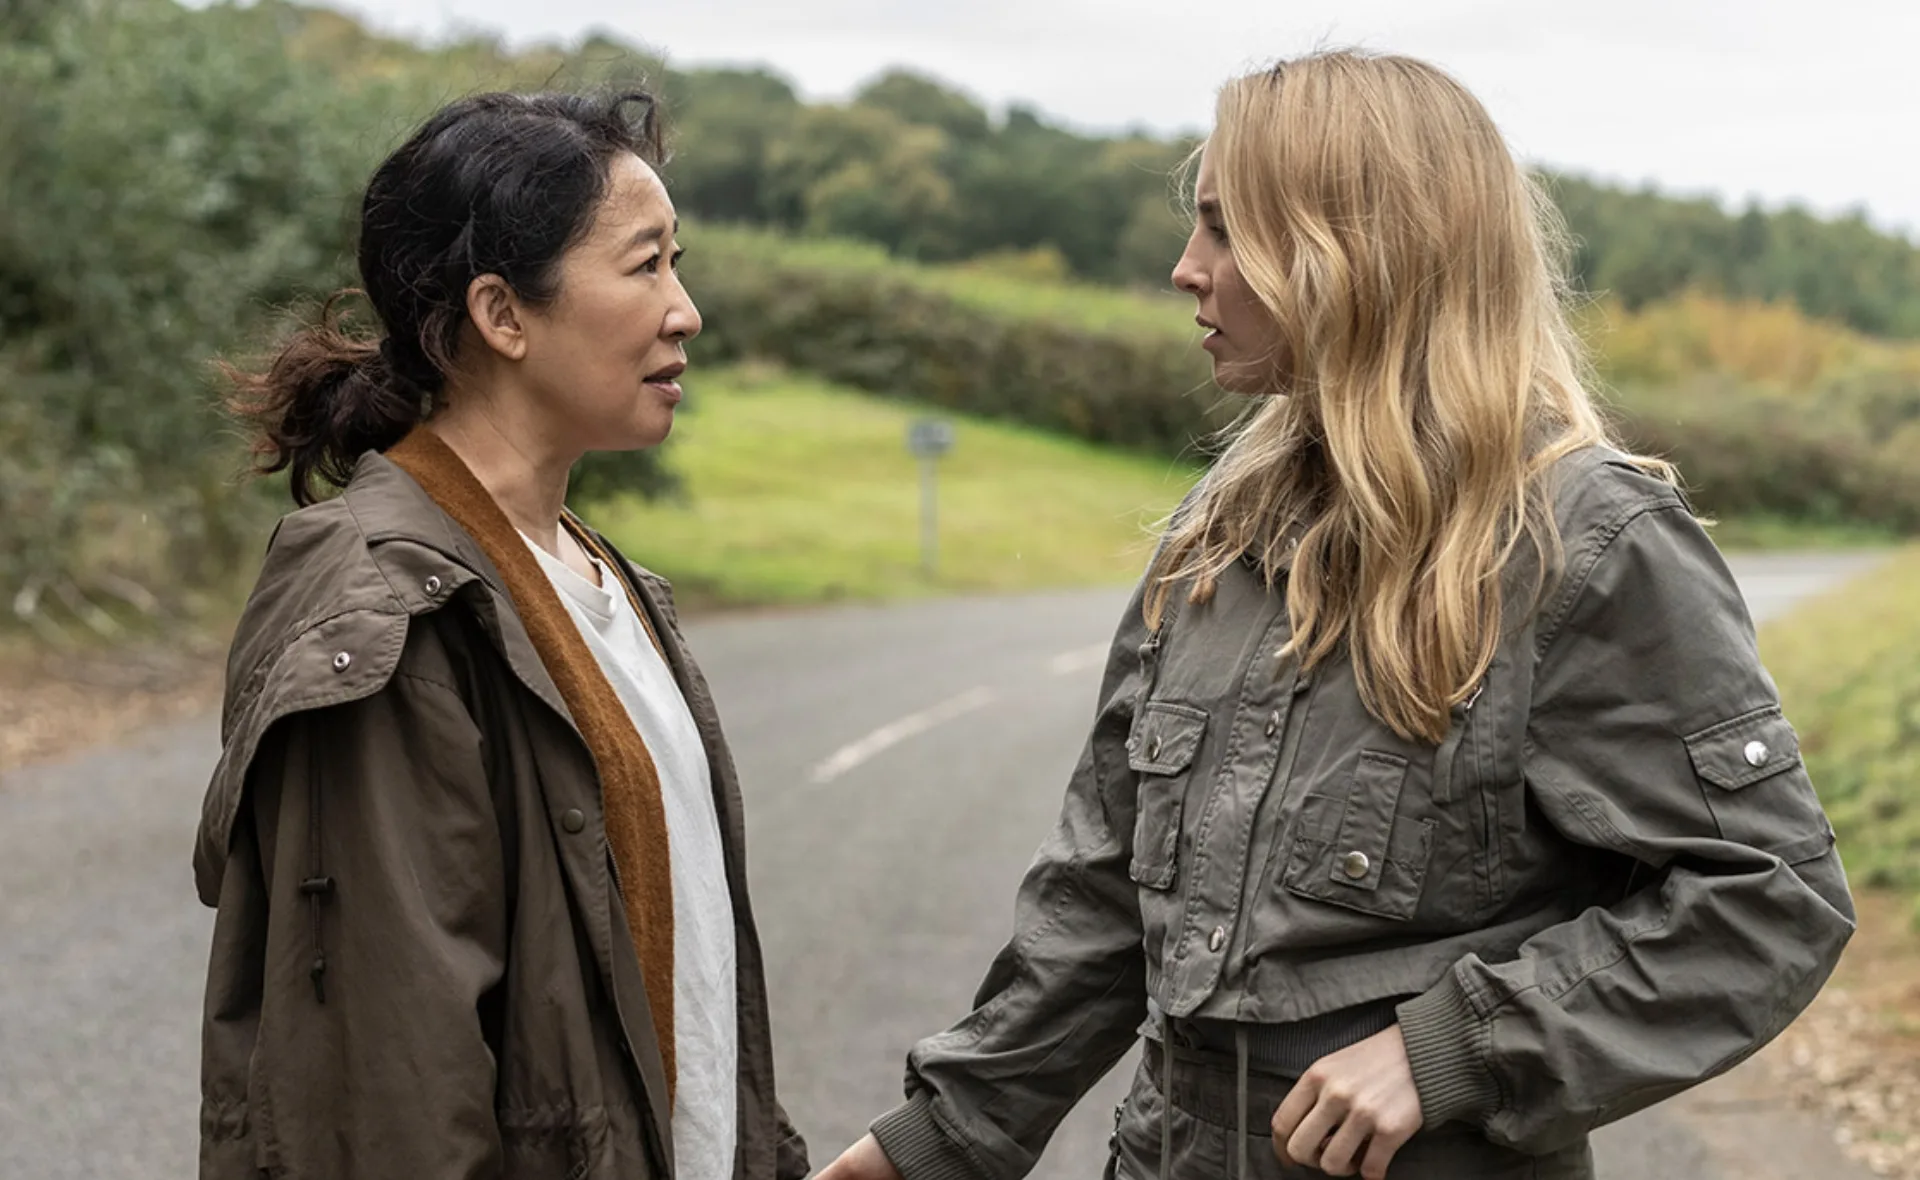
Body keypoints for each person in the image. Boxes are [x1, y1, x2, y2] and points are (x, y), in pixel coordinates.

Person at [818, 49, 1854, 1180]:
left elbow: (1769, 895)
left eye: (1224, 228)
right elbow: (1104, 901)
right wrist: (933, 1144)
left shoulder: (1586, 543)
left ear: (1351, 251)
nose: (1184, 269)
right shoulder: (1215, 536)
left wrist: (1450, 1051)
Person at [194, 90, 807, 1180]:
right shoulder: (388, 613)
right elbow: (388, 1096)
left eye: (680, 263)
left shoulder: (599, 579)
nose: (685, 310)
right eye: (646, 264)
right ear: (503, 313)